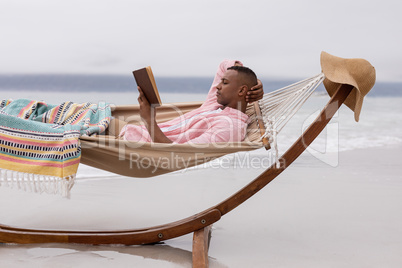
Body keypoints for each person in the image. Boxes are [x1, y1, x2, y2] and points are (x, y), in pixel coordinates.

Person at [109, 60, 264, 144]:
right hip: (133, 130)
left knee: (86, 129)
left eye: (224, 82)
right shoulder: (215, 104)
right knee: (90, 111)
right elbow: (224, 64)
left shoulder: (229, 127)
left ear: (241, 91)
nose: (217, 86)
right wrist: (254, 82)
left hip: (134, 143)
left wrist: (148, 119)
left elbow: (175, 151)